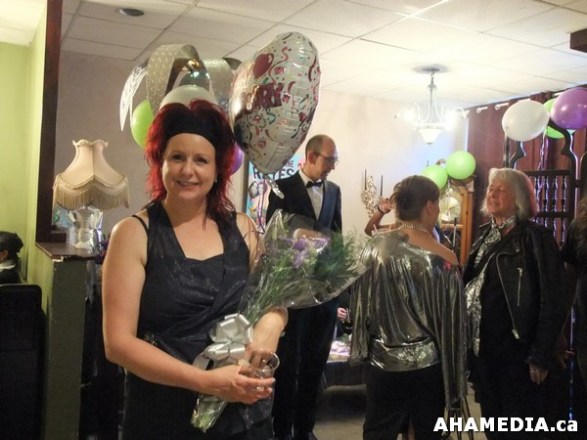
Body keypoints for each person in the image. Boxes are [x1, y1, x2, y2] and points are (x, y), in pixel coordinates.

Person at [102, 99, 287, 440]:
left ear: (218, 169)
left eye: (201, 160)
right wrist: (206, 382)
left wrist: (272, 325)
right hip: (162, 416)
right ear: (160, 162)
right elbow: (118, 343)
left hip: (241, 418)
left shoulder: (243, 229)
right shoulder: (133, 234)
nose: (188, 170)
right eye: (177, 157)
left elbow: (274, 299)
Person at [350, 175, 466, 440]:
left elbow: (360, 304)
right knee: (426, 431)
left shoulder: (375, 248)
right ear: (430, 206)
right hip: (426, 368)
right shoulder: (444, 258)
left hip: (382, 363)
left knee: (378, 431)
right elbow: (452, 327)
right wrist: (455, 382)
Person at [463, 167, 572, 440]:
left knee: (519, 425)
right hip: (484, 350)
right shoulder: (485, 234)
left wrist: (540, 353)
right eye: (491, 189)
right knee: (493, 421)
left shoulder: (535, 237)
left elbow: (554, 297)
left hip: (518, 352)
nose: (492, 194)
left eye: (500, 190)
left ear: (520, 198)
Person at [265, 134, 342, 440]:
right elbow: (273, 234)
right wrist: (300, 239)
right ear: (310, 157)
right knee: (287, 367)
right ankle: (282, 430)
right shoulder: (281, 187)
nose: (332, 167)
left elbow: (336, 236)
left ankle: (305, 430)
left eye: (335, 161)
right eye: (329, 160)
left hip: (323, 296)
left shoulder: (334, 191)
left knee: (315, 365)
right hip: (292, 294)